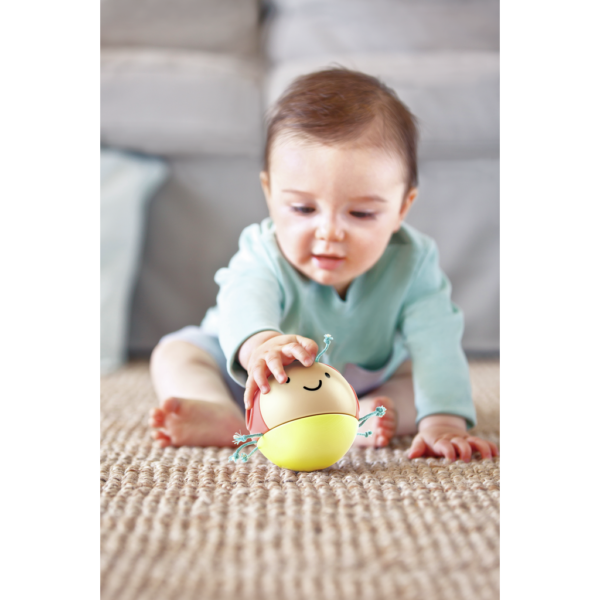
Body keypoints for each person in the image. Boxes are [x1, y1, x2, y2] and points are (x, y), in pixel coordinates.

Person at [148, 67, 498, 462]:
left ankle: (364, 415)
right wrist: (261, 346)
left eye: (362, 213)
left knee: (417, 380)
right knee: (176, 353)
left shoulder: (414, 262)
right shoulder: (264, 252)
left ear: (402, 207)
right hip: (256, 378)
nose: (329, 232)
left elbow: (437, 344)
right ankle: (228, 416)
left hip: (362, 382)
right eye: (303, 208)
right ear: (270, 193)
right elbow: (243, 300)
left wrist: (444, 422)